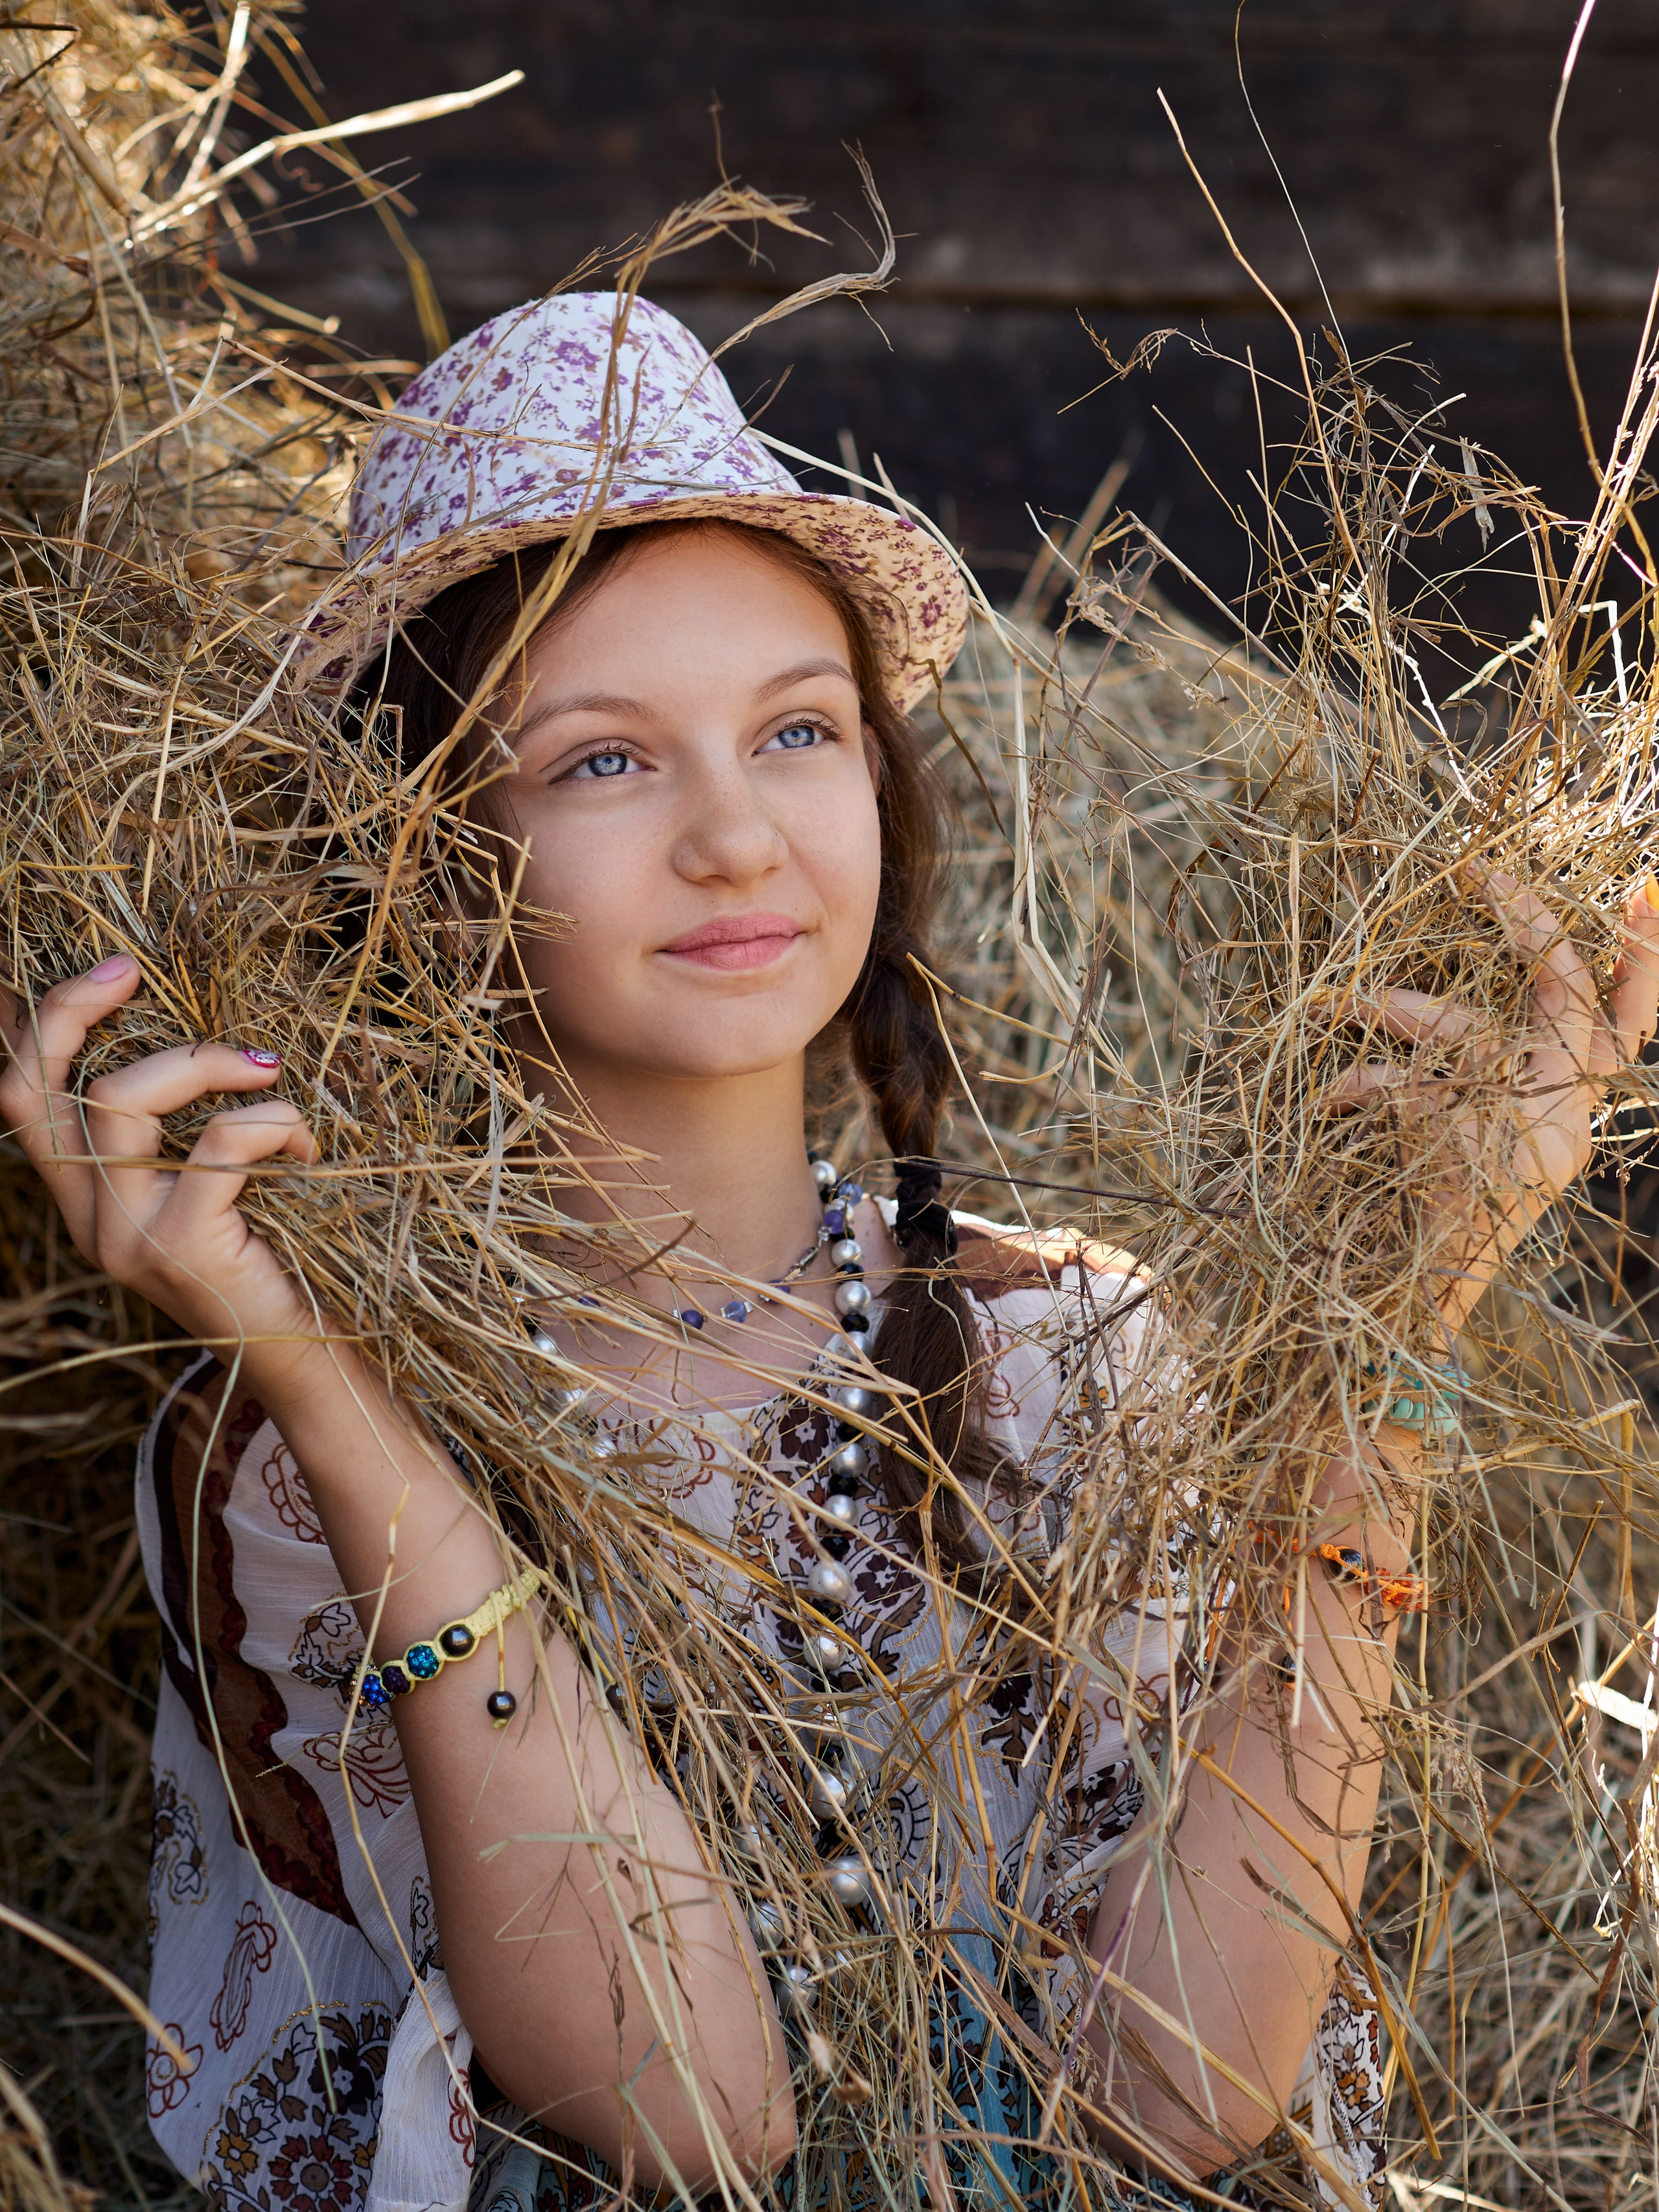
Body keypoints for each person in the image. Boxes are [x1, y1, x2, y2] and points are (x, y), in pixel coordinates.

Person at [5, 290, 1656, 2212]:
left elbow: (1179, 2095)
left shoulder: (1078, 1355)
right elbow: (697, 2119)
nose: (734, 836)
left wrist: (1397, 1321)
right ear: (422, 855)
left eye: (799, 729)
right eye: (603, 762)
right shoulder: (298, 1456)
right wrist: (317, 1367)